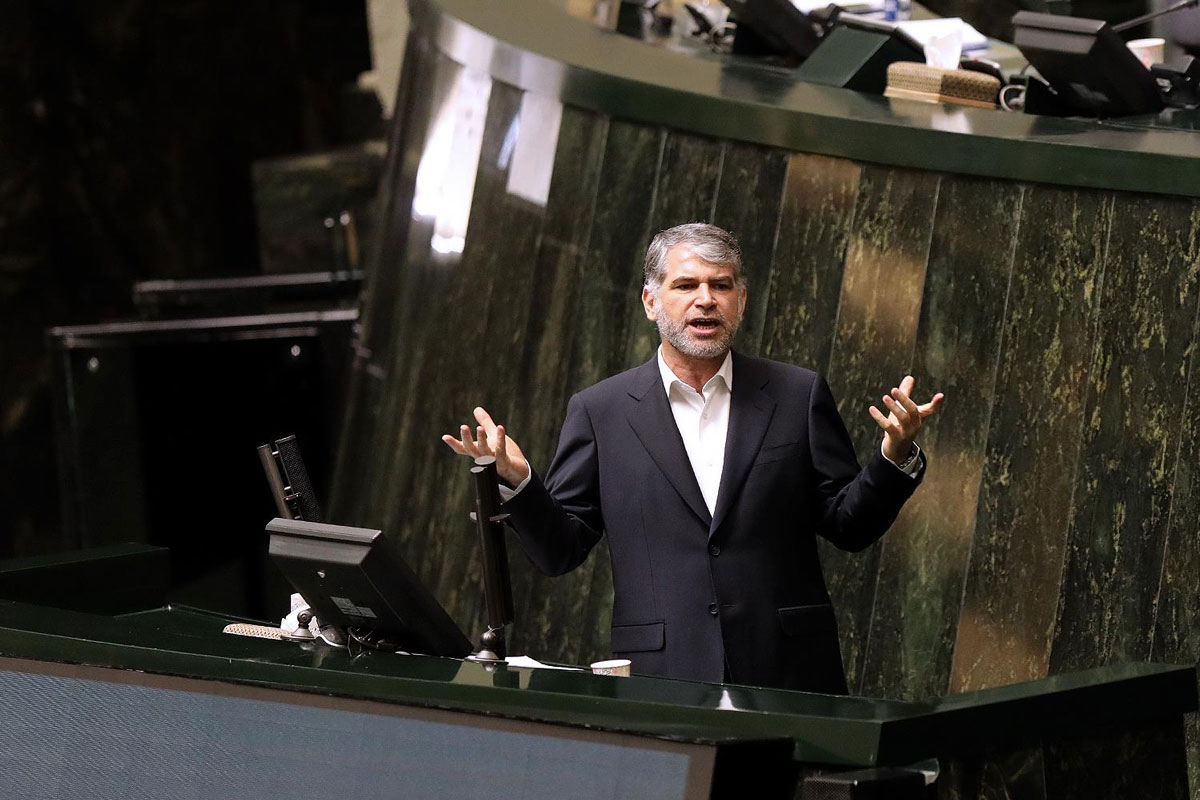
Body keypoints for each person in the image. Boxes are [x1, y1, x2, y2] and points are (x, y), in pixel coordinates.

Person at [443, 223, 943, 693]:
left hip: (788, 670)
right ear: (650, 302)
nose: (705, 299)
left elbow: (849, 526)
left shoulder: (796, 394)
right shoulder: (601, 412)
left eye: (720, 285)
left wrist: (894, 455)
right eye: (685, 285)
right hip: (663, 673)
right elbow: (560, 552)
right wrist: (520, 480)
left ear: (741, 301)